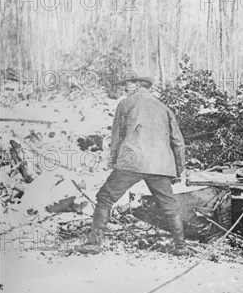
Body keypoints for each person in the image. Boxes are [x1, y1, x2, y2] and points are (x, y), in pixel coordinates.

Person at [75, 74, 190, 256]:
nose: (124, 88)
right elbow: (178, 142)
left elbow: (118, 136)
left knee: (105, 197)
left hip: (132, 162)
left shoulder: (126, 104)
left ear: (137, 84)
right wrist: (178, 170)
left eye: (127, 84)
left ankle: (94, 243)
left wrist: (114, 161)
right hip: (160, 166)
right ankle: (181, 246)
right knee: (170, 206)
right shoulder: (164, 108)